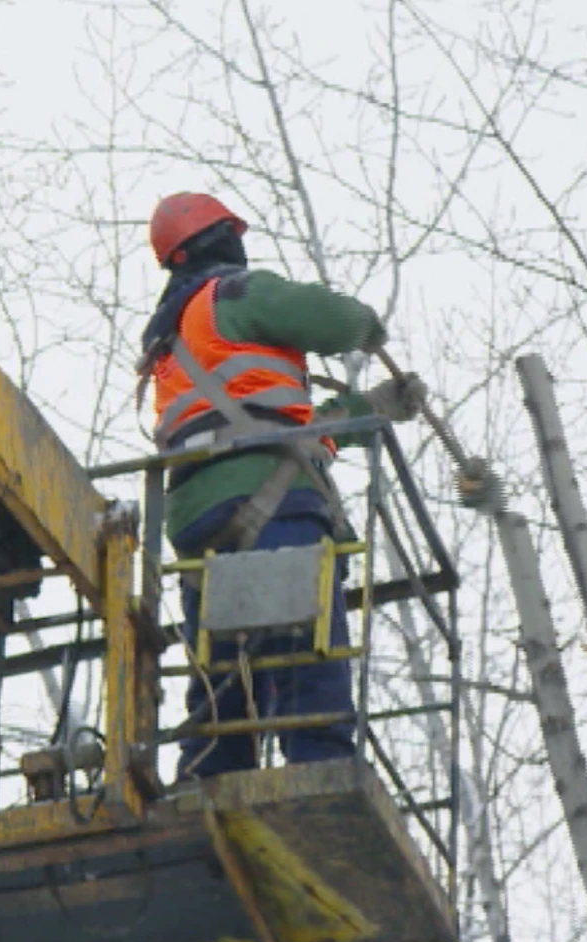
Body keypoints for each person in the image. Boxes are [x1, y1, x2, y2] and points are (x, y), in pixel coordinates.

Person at [139, 193, 424, 779]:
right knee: (304, 653)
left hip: (200, 521)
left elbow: (272, 434)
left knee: (225, 681)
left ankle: (209, 783)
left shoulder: (169, 344)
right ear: (222, 241)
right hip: (271, 508)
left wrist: (367, 408)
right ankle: (320, 775)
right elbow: (340, 322)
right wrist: (367, 328)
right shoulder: (232, 295)